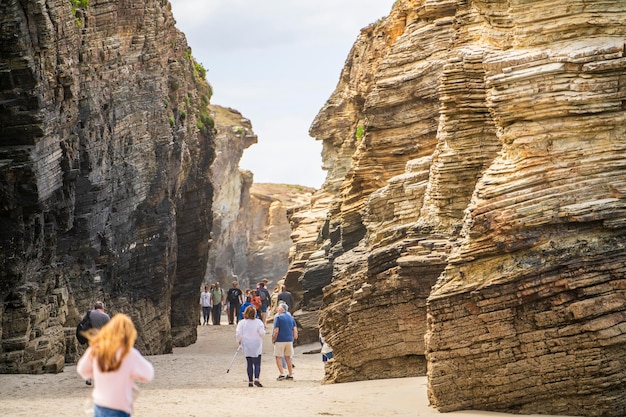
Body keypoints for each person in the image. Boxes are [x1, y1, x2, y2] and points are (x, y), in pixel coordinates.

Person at [77, 313, 154, 417]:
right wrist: (132, 374)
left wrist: (97, 374)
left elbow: (82, 369)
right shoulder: (129, 353)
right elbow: (148, 374)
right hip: (120, 407)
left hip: (100, 405)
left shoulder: (96, 349)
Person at [77, 301, 111, 386]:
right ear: (102, 308)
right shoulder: (105, 316)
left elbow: (83, 324)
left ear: (94, 307)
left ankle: (88, 378)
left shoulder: (89, 314)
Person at [235, 306, 266, 387]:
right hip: (256, 343)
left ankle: (250, 381)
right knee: (257, 362)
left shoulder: (242, 322)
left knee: (249, 362)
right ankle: (256, 378)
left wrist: (239, 341)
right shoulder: (258, 322)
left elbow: (238, 333)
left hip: (246, 343)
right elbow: (262, 333)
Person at [272, 303, 297, 381]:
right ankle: (290, 374)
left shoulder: (278, 317)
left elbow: (276, 330)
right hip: (289, 339)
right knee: (288, 357)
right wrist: (293, 337)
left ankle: (282, 373)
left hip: (280, 339)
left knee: (278, 357)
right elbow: (295, 329)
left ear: (281, 309)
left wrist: (274, 339)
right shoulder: (291, 317)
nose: (277, 309)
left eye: (278, 308)